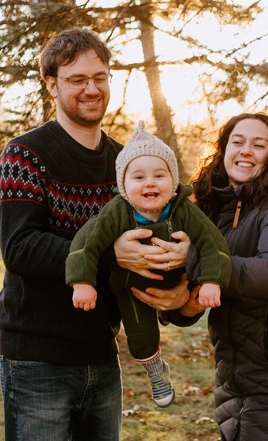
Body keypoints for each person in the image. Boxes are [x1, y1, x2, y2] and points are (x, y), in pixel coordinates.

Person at [0, 28, 190, 441]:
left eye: (100, 77)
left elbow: (154, 241)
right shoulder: (24, 155)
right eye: (77, 78)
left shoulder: (128, 166)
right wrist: (110, 254)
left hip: (102, 355)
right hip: (37, 360)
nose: (91, 89)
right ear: (52, 84)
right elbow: (21, 247)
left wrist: (182, 274)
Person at [140, 112, 268, 441]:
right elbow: (194, 284)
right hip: (233, 374)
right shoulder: (214, 207)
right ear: (223, 150)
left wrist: (192, 258)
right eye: (237, 142)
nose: (246, 151)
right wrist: (179, 306)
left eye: (259, 144)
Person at [66, 120, 231, 408]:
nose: (150, 183)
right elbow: (86, 242)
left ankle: (173, 324)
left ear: (173, 179)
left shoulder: (184, 210)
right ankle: (156, 372)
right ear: (124, 186)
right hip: (132, 288)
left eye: (159, 175)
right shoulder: (117, 212)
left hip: (176, 283)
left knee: (181, 304)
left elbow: (212, 242)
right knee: (141, 338)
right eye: (138, 177)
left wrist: (212, 281)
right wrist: (82, 282)